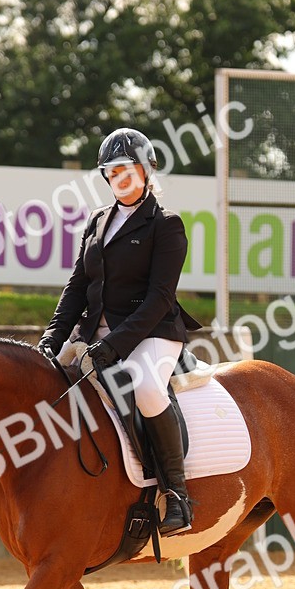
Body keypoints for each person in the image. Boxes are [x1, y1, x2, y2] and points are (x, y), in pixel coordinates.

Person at [38, 127, 200, 535]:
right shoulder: (97, 222)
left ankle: (176, 493)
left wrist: (115, 344)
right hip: (97, 335)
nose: (120, 178)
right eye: (112, 172)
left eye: (127, 170)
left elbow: (160, 297)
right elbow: (76, 289)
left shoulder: (167, 224)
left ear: (146, 171)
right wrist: (51, 340)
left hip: (153, 333)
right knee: (44, 381)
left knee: (146, 387)